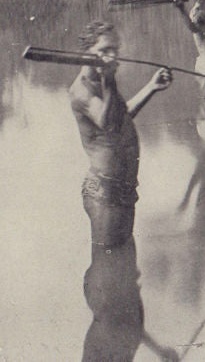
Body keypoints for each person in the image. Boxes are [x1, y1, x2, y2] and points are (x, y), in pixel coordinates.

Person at [69, 21, 172, 247]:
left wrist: (151, 88)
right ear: (86, 52)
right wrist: (109, 79)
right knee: (106, 261)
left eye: (115, 48)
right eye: (105, 49)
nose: (113, 55)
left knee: (125, 254)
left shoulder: (101, 81)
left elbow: (121, 116)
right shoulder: (81, 90)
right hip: (104, 194)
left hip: (124, 188)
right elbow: (108, 124)